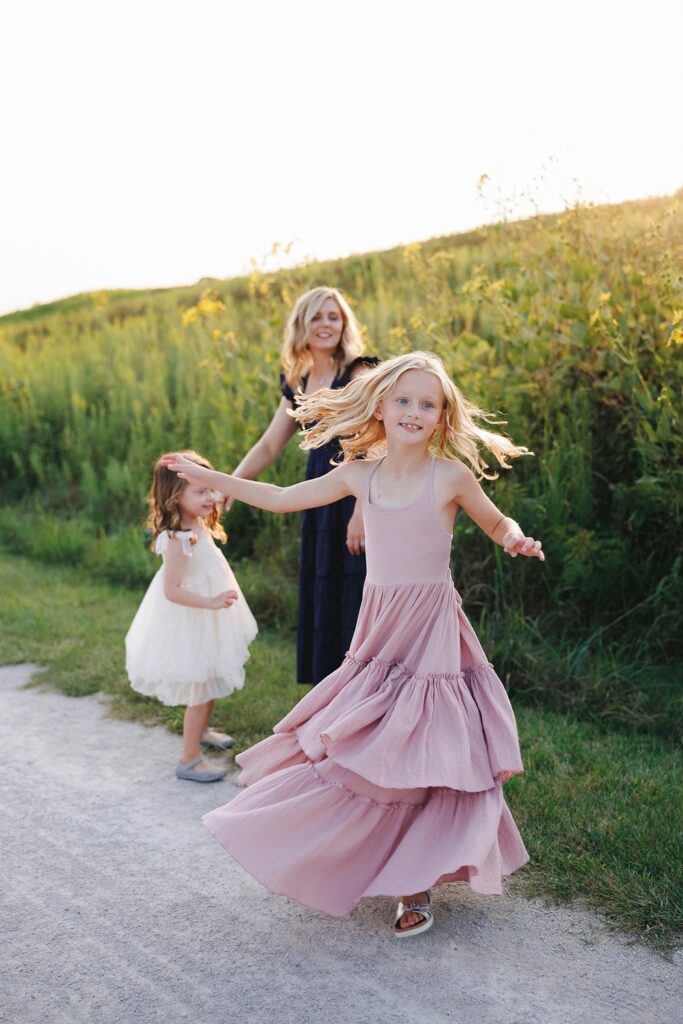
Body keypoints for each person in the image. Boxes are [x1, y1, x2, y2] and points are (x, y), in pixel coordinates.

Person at [162, 352, 544, 934]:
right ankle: (344, 853)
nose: (414, 412)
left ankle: (415, 890)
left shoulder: (450, 477)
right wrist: (214, 480)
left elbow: (497, 524)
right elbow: (284, 496)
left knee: (425, 753)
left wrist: (515, 540)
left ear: (441, 417)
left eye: (427, 404)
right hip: (379, 636)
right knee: (369, 753)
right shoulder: (359, 474)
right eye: (403, 401)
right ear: (381, 406)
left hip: (430, 632)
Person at [227, 286, 377, 684]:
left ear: (344, 324)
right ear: (302, 326)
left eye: (333, 316)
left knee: (358, 591)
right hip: (318, 497)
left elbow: (378, 441)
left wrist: (362, 511)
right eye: (317, 317)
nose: (326, 324)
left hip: (359, 495)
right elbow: (269, 444)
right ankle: (329, 696)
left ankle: (366, 691)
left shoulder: (359, 371)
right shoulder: (300, 379)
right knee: (324, 587)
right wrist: (231, 484)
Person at [125, 451, 257, 783]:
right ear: (175, 497)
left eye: (211, 489)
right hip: (193, 616)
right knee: (202, 681)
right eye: (201, 492)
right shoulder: (177, 539)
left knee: (209, 673)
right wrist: (211, 601)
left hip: (207, 615)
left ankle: (202, 731)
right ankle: (188, 759)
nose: (211, 497)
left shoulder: (196, 522)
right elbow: (172, 590)